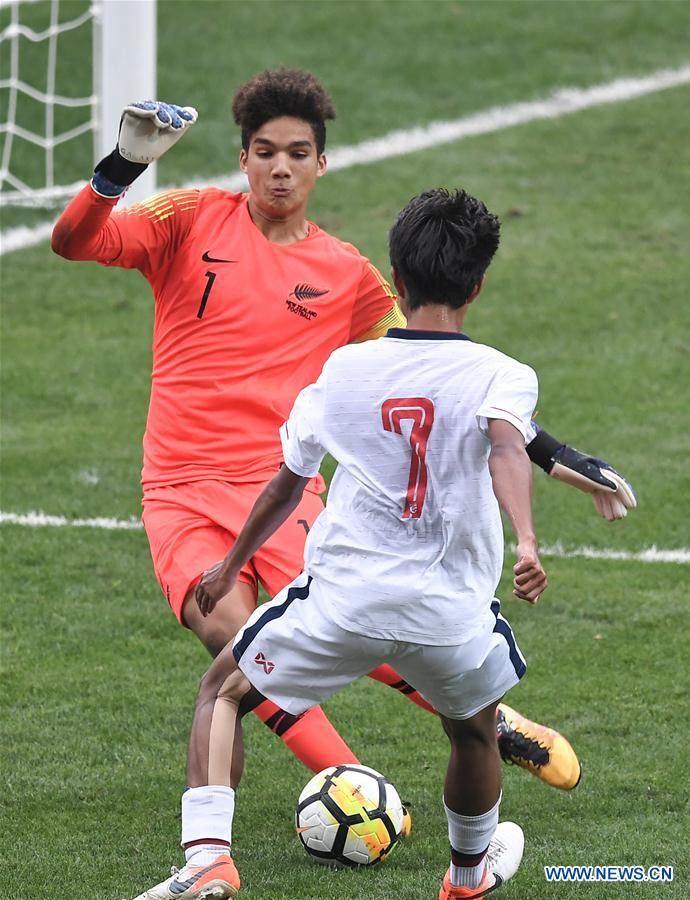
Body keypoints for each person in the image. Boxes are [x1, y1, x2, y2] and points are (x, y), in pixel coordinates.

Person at [51, 70, 634, 792]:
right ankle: (352, 787)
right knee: (234, 642)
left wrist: (558, 457)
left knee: (352, 624)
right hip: (179, 489)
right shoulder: (189, 218)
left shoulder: (347, 273)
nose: (280, 167)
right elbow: (73, 242)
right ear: (243, 159)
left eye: (298, 152)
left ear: (321, 164)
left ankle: (493, 719)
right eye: (264, 151)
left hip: (285, 489)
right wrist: (123, 166)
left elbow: (447, 376)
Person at [131, 187, 551, 900]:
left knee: (224, 690)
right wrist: (526, 543)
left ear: (397, 277)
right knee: (476, 731)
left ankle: (208, 859)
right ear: (477, 286)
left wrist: (229, 565)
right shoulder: (503, 375)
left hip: (342, 603)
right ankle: (469, 877)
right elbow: (510, 448)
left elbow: (285, 486)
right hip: (447, 611)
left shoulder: (343, 372)